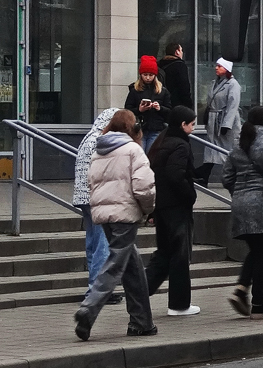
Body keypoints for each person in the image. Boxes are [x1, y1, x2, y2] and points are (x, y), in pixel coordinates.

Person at [74, 110, 157, 341]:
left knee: (133, 268)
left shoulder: (100, 150)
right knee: (115, 265)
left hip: (104, 215)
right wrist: (148, 209)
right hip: (125, 214)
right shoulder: (133, 150)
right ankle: (89, 308)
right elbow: (144, 186)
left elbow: (91, 181)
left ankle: (142, 322)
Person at [222, 106, 263, 319]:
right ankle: (259, 303)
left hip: (241, 205)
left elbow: (226, 178)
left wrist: (241, 193)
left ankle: (242, 289)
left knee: (257, 251)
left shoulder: (239, 145)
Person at [145, 105, 200, 316]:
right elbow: (175, 175)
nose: (193, 128)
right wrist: (190, 195)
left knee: (164, 254)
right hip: (177, 207)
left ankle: (140, 292)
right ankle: (179, 304)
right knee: (179, 256)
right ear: (182, 124)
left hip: (161, 206)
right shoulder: (181, 145)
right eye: (192, 124)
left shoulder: (161, 143)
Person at [72, 108, 118, 304]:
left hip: (84, 197)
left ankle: (94, 287)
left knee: (93, 243)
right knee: (102, 245)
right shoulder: (102, 140)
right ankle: (99, 291)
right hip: (98, 198)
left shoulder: (88, 138)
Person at [197, 57, 242, 186]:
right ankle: (204, 175)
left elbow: (233, 105)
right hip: (213, 121)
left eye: (220, 66)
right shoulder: (214, 83)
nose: (216, 68)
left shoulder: (233, 84)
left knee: (227, 149)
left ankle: (236, 176)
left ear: (227, 69)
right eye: (216, 65)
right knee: (211, 147)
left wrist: (226, 124)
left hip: (225, 122)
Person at [125, 56, 172, 152]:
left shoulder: (162, 91)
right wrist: (139, 110)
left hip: (156, 129)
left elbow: (169, 111)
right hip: (139, 129)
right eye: (145, 74)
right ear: (141, 75)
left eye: (150, 75)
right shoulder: (134, 91)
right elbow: (127, 110)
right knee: (139, 155)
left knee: (151, 155)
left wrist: (159, 108)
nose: (147, 78)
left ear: (155, 75)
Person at [159, 42, 193, 110]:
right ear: (177, 52)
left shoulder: (160, 65)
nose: (182, 52)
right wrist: (188, 104)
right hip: (177, 103)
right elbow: (184, 86)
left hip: (163, 103)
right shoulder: (180, 65)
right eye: (181, 50)